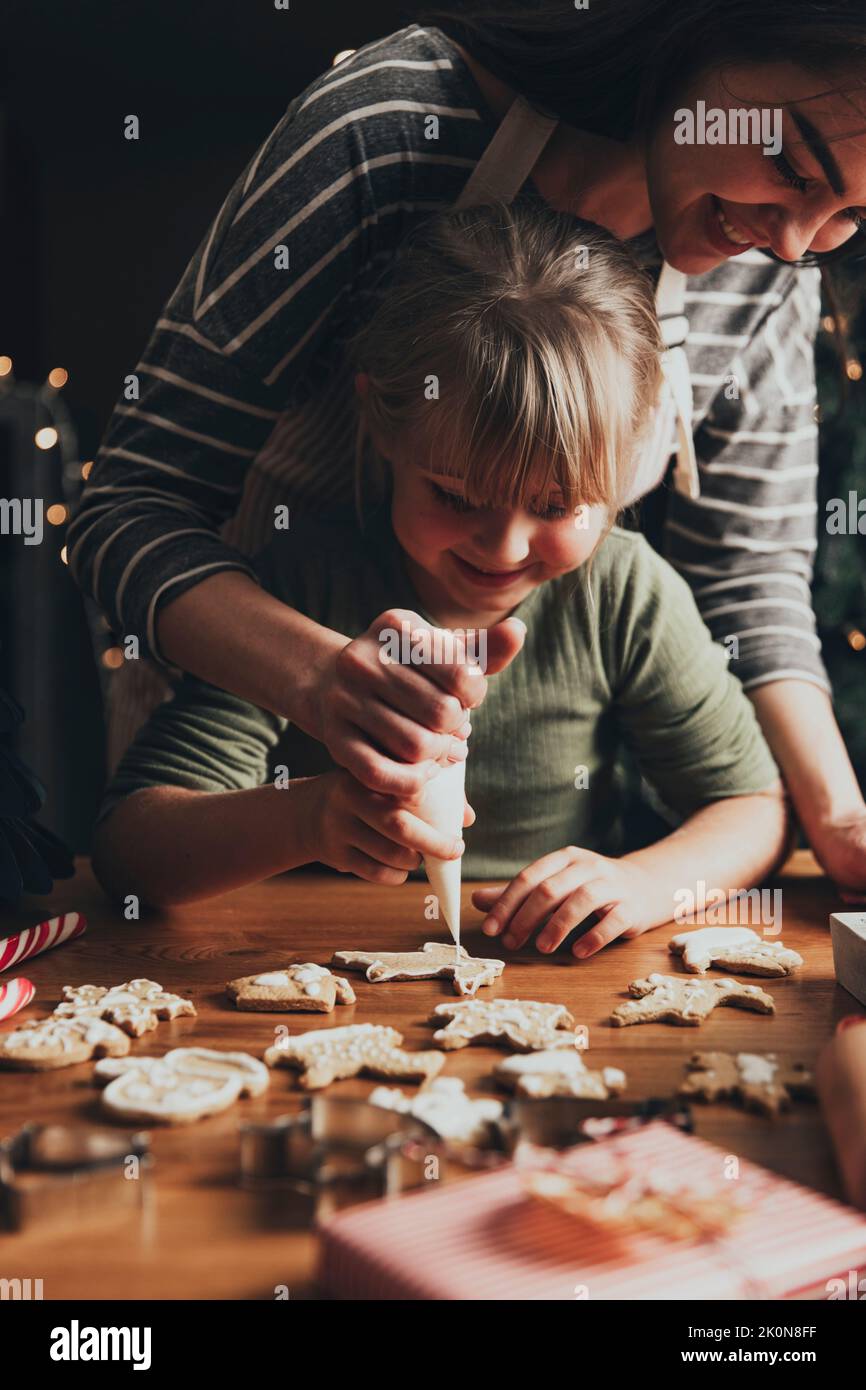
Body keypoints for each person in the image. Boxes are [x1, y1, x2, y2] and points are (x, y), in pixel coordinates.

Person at [70, 4, 866, 897]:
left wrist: (838, 818)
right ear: (707, 29)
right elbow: (134, 506)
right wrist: (320, 683)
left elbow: (748, 580)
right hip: (245, 689)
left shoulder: (773, 269)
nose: (797, 245)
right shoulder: (382, 133)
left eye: (853, 214)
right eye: (794, 168)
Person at [91, 203, 789, 959]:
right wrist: (308, 820)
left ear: (627, 461)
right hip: (312, 972)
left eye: (557, 505)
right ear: (382, 423)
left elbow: (751, 808)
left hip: (546, 982)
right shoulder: (302, 589)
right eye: (455, 496)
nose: (504, 545)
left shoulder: (626, 596)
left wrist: (650, 882)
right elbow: (132, 853)